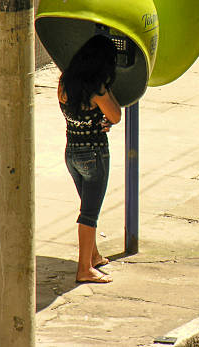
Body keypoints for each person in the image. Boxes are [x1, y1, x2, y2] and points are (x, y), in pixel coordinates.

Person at [57, 35, 121, 284]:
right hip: (94, 154)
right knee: (89, 213)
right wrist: (106, 89)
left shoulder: (64, 82)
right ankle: (85, 268)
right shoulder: (97, 90)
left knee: (87, 204)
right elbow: (115, 115)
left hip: (71, 152)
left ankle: (92, 255)